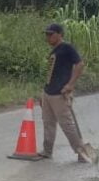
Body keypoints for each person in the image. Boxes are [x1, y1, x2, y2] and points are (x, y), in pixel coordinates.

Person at [40, 23, 93, 163]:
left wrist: (70, 85)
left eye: (51, 34)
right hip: (49, 92)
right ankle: (47, 151)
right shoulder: (54, 51)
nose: (48, 37)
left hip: (60, 93)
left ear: (59, 34)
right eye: (47, 34)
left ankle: (81, 152)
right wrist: (44, 93)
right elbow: (51, 73)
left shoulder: (67, 48)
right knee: (48, 123)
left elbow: (80, 64)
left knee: (67, 125)